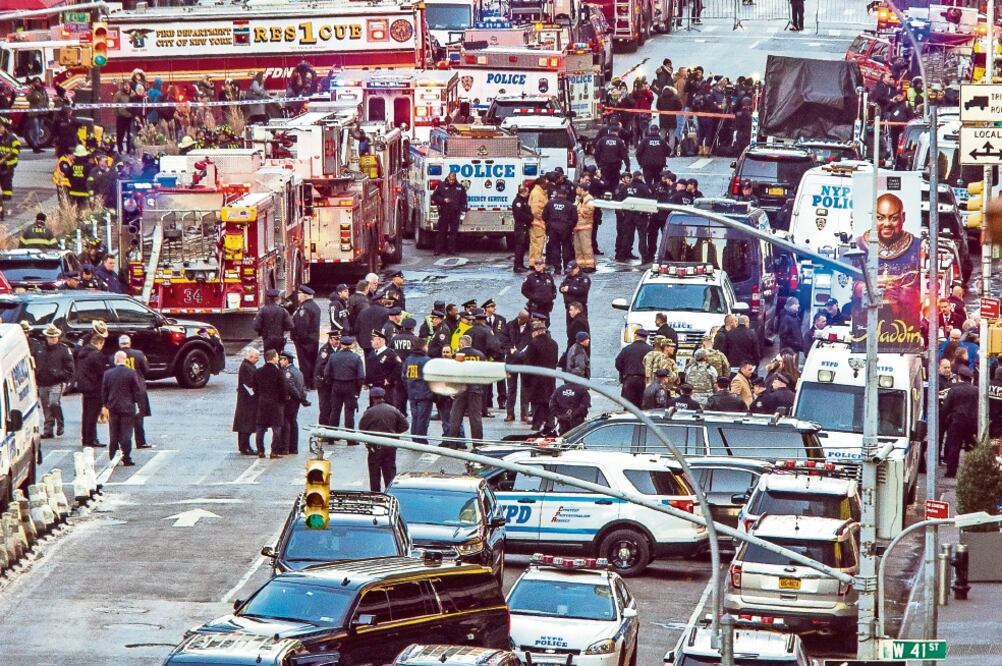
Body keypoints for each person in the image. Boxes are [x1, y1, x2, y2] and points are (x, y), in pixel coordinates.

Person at [855, 192, 922, 325]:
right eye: (880, 218)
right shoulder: (859, 246)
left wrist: (903, 294)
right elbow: (850, 281)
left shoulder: (917, 246)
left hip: (905, 325)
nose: (887, 224)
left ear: (903, 217)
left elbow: (925, 287)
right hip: (866, 322)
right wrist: (867, 288)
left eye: (893, 218)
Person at [358, 387, 408, 491]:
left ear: (372, 398)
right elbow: (405, 425)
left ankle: (376, 496)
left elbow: (362, 428)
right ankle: (390, 494)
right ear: (383, 397)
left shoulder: (369, 412)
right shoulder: (393, 409)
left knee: (374, 474)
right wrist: (394, 433)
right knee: (390, 473)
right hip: (390, 445)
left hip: (375, 447)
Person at [102, 351, 143, 467]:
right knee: (126, 433)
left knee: (113, 432)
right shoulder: (131, 373)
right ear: (125, 360)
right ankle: (126, 457)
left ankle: (113, 455)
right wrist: (138, 404)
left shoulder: (108, 374)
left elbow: (104, 391)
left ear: (116, 360)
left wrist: (106, 404)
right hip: (128, 407)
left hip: (113, 406)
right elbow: (137, 390)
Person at [34, 324, 74, 439]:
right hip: (42, 382)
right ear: (46, 337)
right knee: (46, 407)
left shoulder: (63, 349)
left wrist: (61, 375)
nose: (53, 339)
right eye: (50, 337)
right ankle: (48, 430)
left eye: (55, 337)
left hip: (57, 382)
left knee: (53, 403)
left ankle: (60, 423)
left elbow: (70, 367)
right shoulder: (39, 348)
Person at [519, 322, 559, 433]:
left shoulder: (533, 344)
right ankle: (550, 423)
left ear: (536, 332)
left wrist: (525, 380)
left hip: (535, 380)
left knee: (536, 403)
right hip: (550, 378)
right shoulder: (554, 344)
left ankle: (537, 424)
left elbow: (528, 364)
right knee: (548, 401)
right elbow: (555, 361)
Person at [942, 365, 978, 478]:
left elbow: (946, 407)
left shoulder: (954, 390)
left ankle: (951, 472)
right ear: (969, 378)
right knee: (972, 447)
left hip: (957, 422)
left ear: (959, 376)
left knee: (954, 446)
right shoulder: (975, 390)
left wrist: (945, 418)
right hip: (972, 423)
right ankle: (974, 471)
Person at [253, 349, 289, 458]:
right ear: (273, 358)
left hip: (262, 402)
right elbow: (283, 389)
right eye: (277, 357)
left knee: (260, 427)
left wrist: (260, 396)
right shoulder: (279, 372)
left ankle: (260, 450)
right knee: (277, 428)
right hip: (276, 403)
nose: (278, 358)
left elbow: (255, 388)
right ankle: (274, 451)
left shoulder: (258, 372)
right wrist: (284, 400)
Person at [76, 328, 109, 448]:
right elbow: (102, 372)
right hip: (95, 388)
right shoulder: (96, 355)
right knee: (93, 415)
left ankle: (86, 438)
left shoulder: (82, 352)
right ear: (100, 343)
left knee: (86, 414)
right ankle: (91, 439)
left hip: (84, 386)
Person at [325, 335, 364, 433]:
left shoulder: (333, 356)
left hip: (336, 385)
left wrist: (331, 384)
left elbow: (326, 373)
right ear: (351, 345)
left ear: (341, 345)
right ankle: (350, 438)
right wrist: (357, 390)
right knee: (349, 412)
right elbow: (361, 377)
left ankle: (331, 436)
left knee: (335, 411)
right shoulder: (356, 358)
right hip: (350, 386)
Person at [119, 335, 152, 449]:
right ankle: (141, 441)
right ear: (130, 343)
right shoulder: (138, 354)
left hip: (122, 389)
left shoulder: (115, 356)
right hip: (138, 387)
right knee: (138, 416)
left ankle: (122, 442)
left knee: (122, 417)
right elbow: (146, 369)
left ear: (120, 344)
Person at [288, 285, 321, 390]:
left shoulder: (304, 308)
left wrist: (299, 339)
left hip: (304, 341)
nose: (298, 295)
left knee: (305, 363)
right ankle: (313, 383)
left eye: (299, 293)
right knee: (313, 361)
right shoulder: (315, 306)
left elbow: (302, 326)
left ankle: (306, 383)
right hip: (314, 339)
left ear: (304, 295)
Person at [502, 310, 532, 422]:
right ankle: (510, 413)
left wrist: (520, 352)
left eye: (522, 319)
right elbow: (503, 339)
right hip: (511, 361)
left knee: (525, 389)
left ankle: (524, 414)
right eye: (518, 318)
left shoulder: (531, 327)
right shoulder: (510, 325)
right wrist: (510, 349)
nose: (519, 320)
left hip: (525, 361)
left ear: (527, 319)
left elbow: (532, 343)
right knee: (511, 389)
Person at [402, 339, 433, 445]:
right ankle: (421, 439)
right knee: (423, 418)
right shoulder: (426, 360)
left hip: (412, 392)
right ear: (423, 347)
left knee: (415, 416)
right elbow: (431, 377)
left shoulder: (408, 359)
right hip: (424, 393)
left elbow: (404, 376)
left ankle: (414, 437)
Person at [430, 171, 468, 256]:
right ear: (448, 177)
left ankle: (451, 250)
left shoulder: (459, 187)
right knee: (441, 232)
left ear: (455, 179)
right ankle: (437, 250)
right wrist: (443, 200)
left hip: (455, 213)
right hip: (444, 212)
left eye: (453, 180)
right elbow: (435, 196)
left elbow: (463, 199)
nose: (451, 181)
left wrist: (462, 209)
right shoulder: (442, 186)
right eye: (450, 179)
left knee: (453, 233)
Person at [279, 350, 308, 455]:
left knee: (286, 423)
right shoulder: (298, 371)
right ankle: (293, 447)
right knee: (293, 423)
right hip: (295, 401)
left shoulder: (287, 372)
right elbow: (303, 387)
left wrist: (300, 398)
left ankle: (285, 447)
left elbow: (291, 387)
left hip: (290, 400)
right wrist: (302, 398)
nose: (280, 362)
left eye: (281, 360)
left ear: (286, 360)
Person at [542, 188, 576, 274]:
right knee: (567, 249)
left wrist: (549, 224)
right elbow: (574, 219)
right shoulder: (570, 205)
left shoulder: (550, 203)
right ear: (565, 195)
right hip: (566, 229)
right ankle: (566, 268)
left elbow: (544, 216)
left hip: (553, 230)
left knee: (555, 249)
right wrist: (569, 226)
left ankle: (557, 269)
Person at [615, 329, 652, 407]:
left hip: (629, 380)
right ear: (646, 338)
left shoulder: (627, 349)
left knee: (628, 407)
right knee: (643, 406)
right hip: (645, 381)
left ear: (636, 336)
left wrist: (624, 372)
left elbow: (618, 363)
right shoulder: (650, 350)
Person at [233, 347, 260, 455]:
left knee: (245, 424)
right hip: (248, 400)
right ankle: (244, 447)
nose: (258, 359)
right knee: (246, 424)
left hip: (246, 399)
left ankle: (245, 446)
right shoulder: (247, 367)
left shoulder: (248, 366)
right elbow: (250, 383)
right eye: (256, 357)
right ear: (250, 357)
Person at [254, 288, 293, 354]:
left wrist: (262, 331)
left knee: (268, 358)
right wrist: (282, 328)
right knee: (278, 357)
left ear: (267, 298)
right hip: (279, 338)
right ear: (277, 298)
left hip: (267, 338)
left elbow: (256, 326)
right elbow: (290, 325)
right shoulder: (283, 310)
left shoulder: (263, 310)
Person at [314, 330, 340, 427]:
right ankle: (323, 429)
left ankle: (333, 430)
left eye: (338, 339)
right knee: (325, 407)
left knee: (334, 407)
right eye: (335, 339)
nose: (337, 341)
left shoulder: (340, 349)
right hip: (324, 383)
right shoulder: (325, 350)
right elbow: (321, 367)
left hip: (333, 383)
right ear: (330, 340)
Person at [637, 125, 670, 190]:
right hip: (658, 165)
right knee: (657, 182)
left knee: (648, 182)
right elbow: (668, 151)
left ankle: (648, 195)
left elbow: (638, 153)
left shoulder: (645, 140)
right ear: (658, 131)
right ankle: (656, 195)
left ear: (650, 131)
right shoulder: (661, 141)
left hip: (647, 165)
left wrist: (640, 163)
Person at [572, 182, 596, 271]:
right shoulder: (579, 198)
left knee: (586, 247)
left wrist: (579, 210)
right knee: (578, 247)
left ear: (582, 189)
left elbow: (589, 211)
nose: (576, 190)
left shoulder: (589, 199)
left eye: (577, 188)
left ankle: (589, 265)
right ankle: (581, 265)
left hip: (585, 226)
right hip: (577, 226)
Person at [528, 175, 550, 266]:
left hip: (537, 223)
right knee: (538, 245)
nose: (547, 185)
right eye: (545, 183)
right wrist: (544, 218)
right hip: (538, 223)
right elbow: (535, 210)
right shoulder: (537, 194)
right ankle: (537, 263)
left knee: (535, 244)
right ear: (541, 184)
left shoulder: (539, 192)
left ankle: (533, 263)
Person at [0, 117, 20, 215]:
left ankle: (5, 208)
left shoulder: (12, 138)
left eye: (0, 126)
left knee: (6, 188)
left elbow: (15, 153)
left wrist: (6, 162)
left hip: (7, 168)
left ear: (5, 127)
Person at [511, 183, 532, 272]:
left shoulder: (523, 200)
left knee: (522, 247)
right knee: (519, 247)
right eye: (527, 192)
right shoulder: (518, 202)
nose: (528, 194)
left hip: (524, 226)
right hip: (520, 226)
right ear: (524, 192)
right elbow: (520, 215)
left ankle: (521, 264)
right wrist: (530, 218)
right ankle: (517, 266)